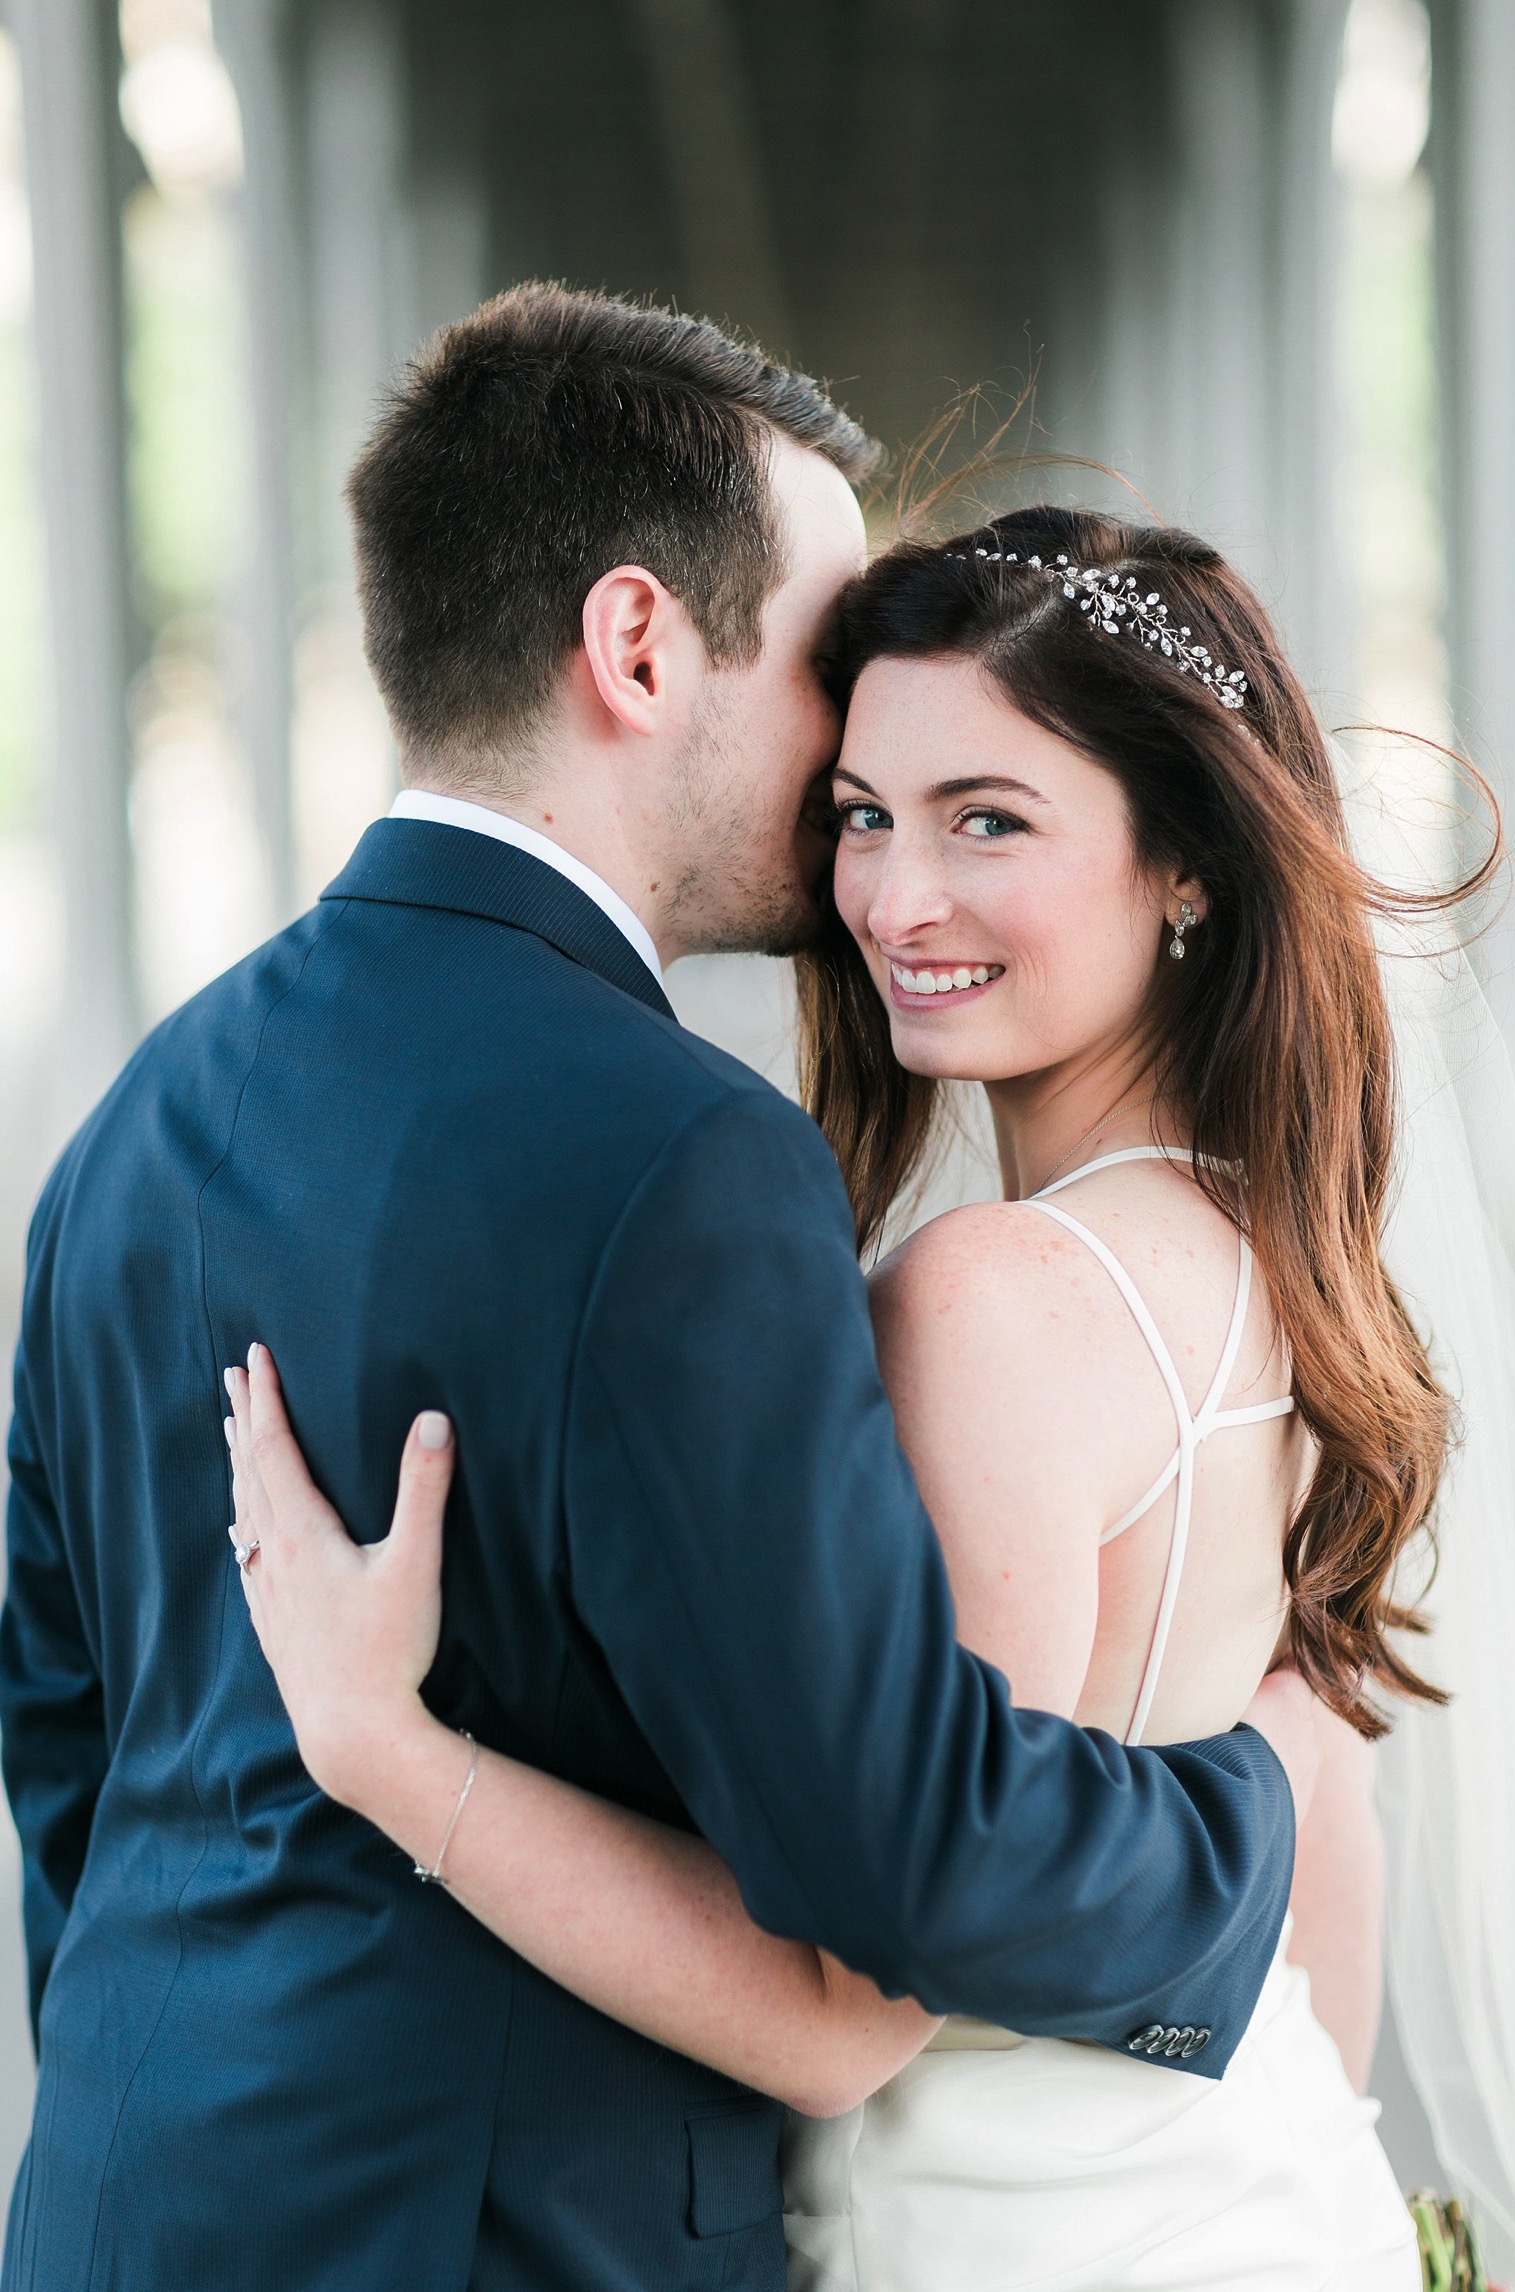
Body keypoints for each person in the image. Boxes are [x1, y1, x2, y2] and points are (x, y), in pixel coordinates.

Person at [0, 291, 1308, 2292]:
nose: (850, 752)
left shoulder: (132, 1127)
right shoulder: (680, 1159)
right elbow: (886, 1859)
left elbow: (68, 1753)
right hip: (506, 2245)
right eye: (824, 663)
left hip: (122, 2200)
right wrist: (1235, 1821)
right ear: (637, 645)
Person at [223, 504, 1476, 2290]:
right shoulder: (1287, 1280)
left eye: (990, 821)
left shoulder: (998, 1298)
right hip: (1255, 2194)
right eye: (864, 816)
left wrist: (393, 1757)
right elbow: (1317, 1843)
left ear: (1188, 862)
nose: (896, 899)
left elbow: (844, 2017)